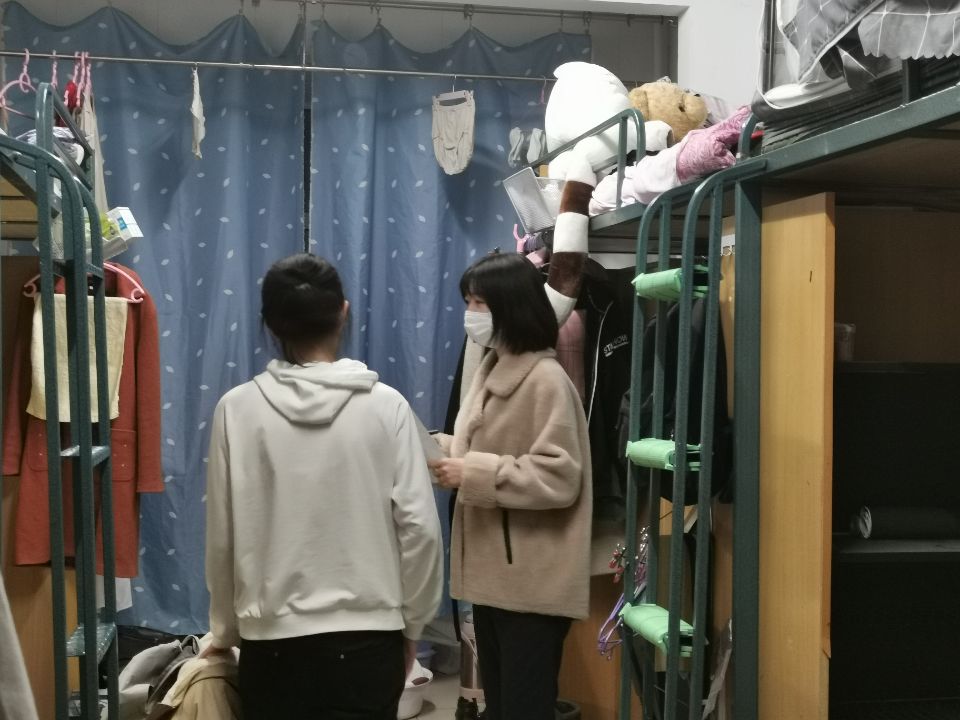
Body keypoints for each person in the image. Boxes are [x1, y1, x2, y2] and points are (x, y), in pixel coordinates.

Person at [204, 253, 444, 720]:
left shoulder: (236, 409)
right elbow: (420, 530)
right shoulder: (387, 407)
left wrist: (225, 631)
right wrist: (413, 624)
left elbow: (222, 538)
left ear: (270, 323)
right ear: (343, 312)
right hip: (370, 639)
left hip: (270, 643)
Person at [429, 253, 593, 720]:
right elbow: (490, 444)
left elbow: (560, 476)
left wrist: (473, 473)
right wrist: (436, 448)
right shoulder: (494, 368)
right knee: (501, 705)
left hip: (530, 582)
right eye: (468, 301)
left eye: (479, 303)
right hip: (497, 578)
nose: (471, 313)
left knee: (524, 706)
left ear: (511, 306)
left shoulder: (545, 380)